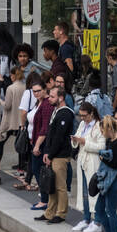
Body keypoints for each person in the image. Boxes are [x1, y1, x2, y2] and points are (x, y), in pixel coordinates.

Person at [38, 84, 75, 224]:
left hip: (60, 155)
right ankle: (50, 212)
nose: (49, 99)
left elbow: (59, 137)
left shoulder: (65, 113)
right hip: (53, 154)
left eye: (52, 97)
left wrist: (51, 154)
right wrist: (46, 152)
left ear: (61, 98)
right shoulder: (56, 111)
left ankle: (61, 213)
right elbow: (50, 135)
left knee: (60, 186)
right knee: (51, 185)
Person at [93, 116, 117, 232]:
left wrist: (102, 157)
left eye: (103, 130)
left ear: (108, 128)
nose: (102, 133)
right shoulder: (110, 141)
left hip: (115, 181)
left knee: (110, 211)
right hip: (107, 181)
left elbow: (115, 163)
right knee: (99, 210)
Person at [72, 102, 104, 232]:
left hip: (93, 161)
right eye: (80, 115)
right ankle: (86, 219)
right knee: (83, 192)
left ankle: (97, 221)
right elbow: (77, 139)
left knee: (93, 192)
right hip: (82, 160)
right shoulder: (81, 124)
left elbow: (102, 147)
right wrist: (75, 140)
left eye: (85, 116)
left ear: (91, 114)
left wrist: (85, 142)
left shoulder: (99, 126)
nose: (82, 118)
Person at [0, 65, 27, 169]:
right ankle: (21, 165)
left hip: (10, 120)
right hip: (21, 120)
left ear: (13, 76)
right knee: (21, 143)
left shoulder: (10, 88)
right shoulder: (25, 87)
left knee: (0, 142)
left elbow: (7, 106)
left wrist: (0, 101)